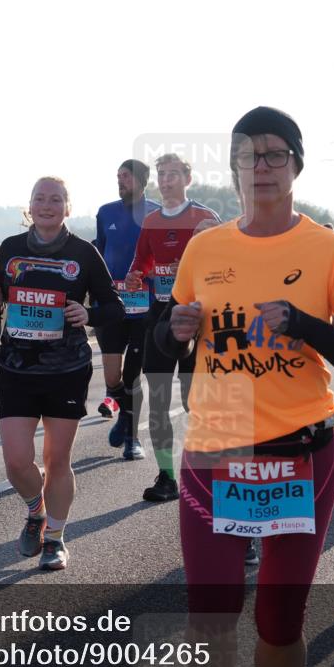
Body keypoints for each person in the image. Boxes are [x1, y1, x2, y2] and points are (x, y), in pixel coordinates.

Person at [155, 107, 334, 667]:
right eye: (248, 155)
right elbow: (167, 342)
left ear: (296, 165)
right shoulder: (206, 246)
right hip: (215, 447)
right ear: (232, 167)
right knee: (211, 612)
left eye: (274, 154)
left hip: (300, 454)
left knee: (279, 619)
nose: (261, 167)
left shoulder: (329, 250)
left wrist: (305, 325)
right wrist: (170, 331)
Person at [0, 177, 123, 571]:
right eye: (40, 199)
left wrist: (89, 314)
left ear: (67, 206)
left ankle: (56, 539)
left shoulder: (85, 253)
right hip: (17, 367)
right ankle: (35, 509)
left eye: (55, 199)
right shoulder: (10, 249)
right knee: (16, 461)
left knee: (57, 459)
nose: (47, 205)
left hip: (66, 369)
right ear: (30, 205)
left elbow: (114, 307)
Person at [125, 153, 220, 503]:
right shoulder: (150, 221)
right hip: (161, 318)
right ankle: (167, 476)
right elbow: (141, 265)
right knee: (159, 400)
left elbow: (227, 266)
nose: (166, 181)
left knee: (195, 401)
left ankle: (204, 471)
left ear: (188, 179)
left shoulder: (205, 218)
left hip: (201, 321)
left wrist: (194, 269)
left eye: (173, 175)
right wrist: (136, 278)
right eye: (162, 175)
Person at [92, 160, 161, 459]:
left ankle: (132, 439)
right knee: (111, 377)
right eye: (118, 176)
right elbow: (100, 252)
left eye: (126, 177)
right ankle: (122, 412)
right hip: (110, 303)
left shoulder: (158, 213)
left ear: (142, 181)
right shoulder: (106, 212)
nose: (120, 181)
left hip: (145, 306)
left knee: (133, 373)